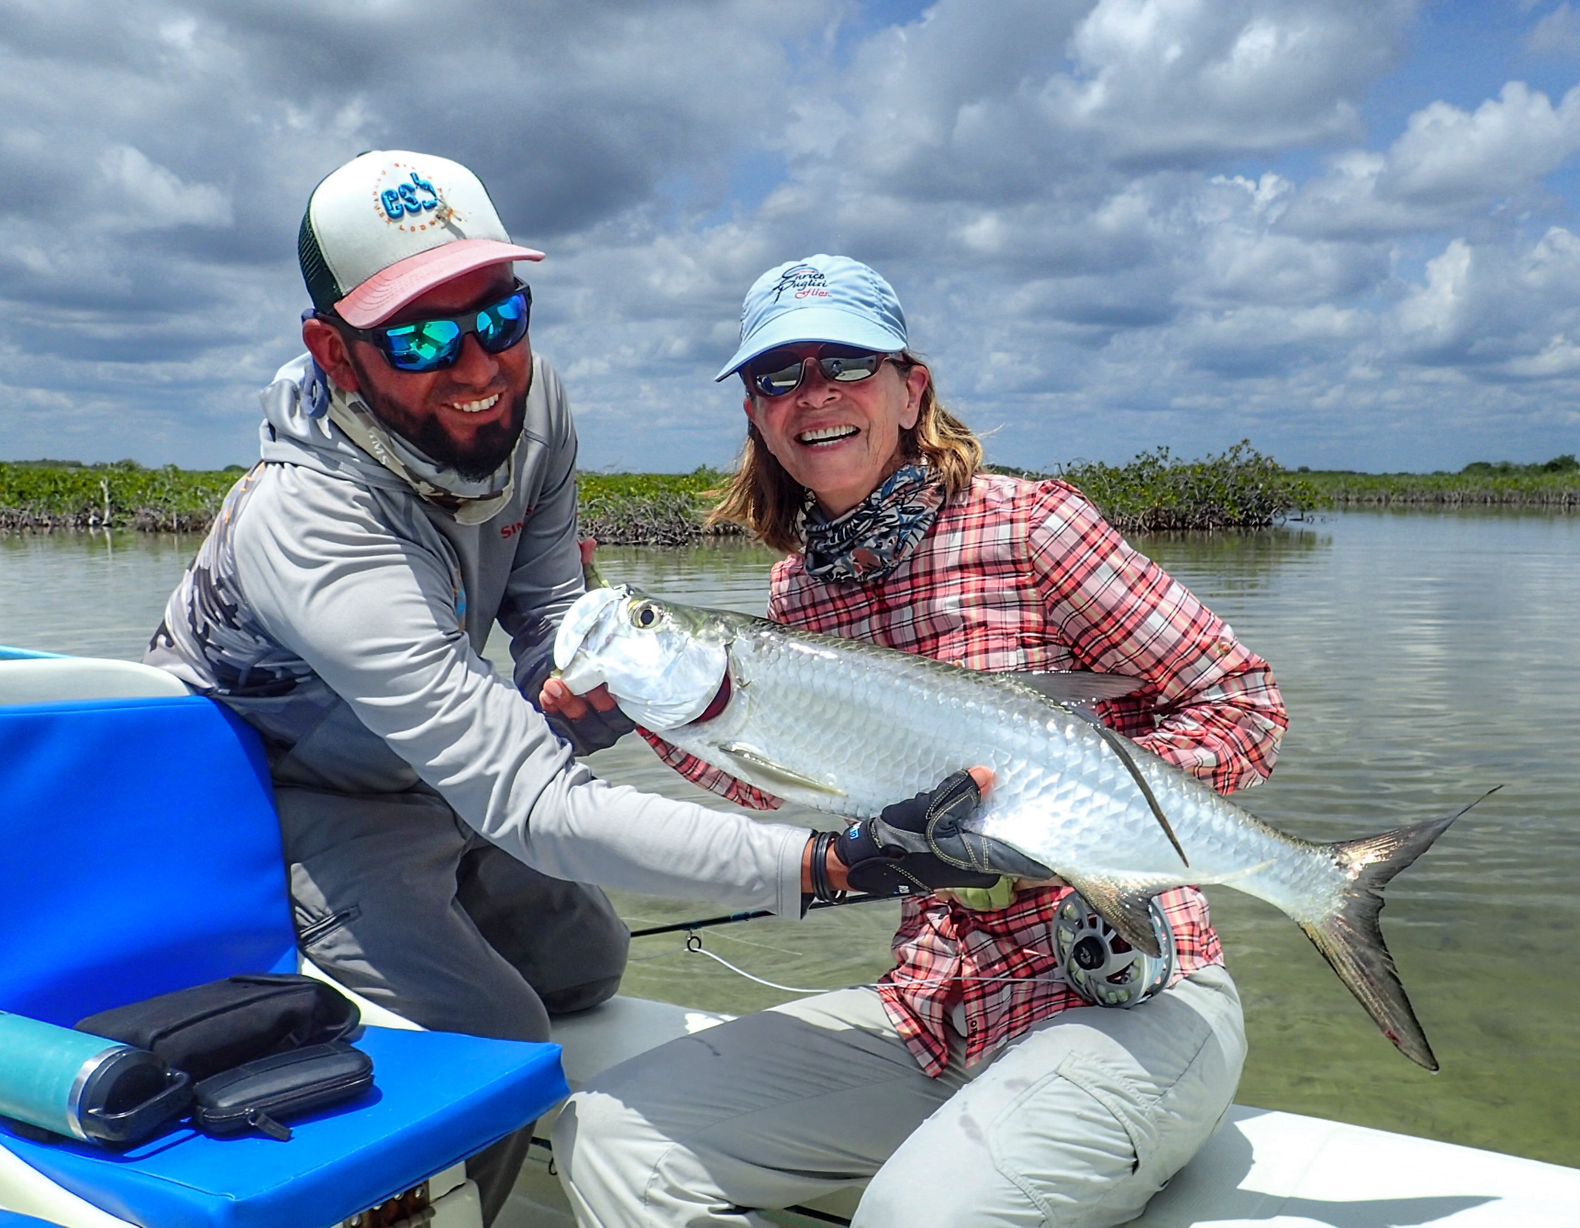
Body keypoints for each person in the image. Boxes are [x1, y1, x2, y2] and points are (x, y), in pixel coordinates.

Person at [144, 167, 1001, 1225]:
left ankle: (414, 939)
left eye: (501, 315)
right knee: (504, 1036)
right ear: (335, 355)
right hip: (296, 796)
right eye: (418, 339)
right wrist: (825, 864)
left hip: (438, 764)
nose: (478, 369)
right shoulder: (306, 525)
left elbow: (553, 612)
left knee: (587, 965)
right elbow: (538, 807)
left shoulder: (535, 401)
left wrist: (581, 674)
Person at [549, 254, 1289, 1227]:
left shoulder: (1032, 527)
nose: (813, 395)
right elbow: (784, 784)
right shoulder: (795, 595)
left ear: (911, 390)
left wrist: (1081, 815)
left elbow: (1243, 702)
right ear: (757, 416)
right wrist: (640, 711)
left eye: (845, 363)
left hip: (1133, 996)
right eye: (778, 376)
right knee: (608, 1137)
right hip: (935, 1007)